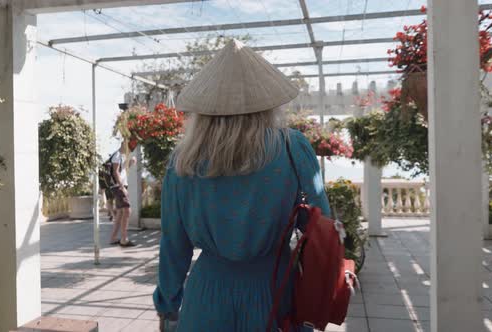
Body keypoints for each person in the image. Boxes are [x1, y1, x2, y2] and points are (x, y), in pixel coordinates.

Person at [153, 40, 331, 332]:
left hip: (206, 296)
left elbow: (174, 243)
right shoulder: (292, 147)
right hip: (274, 291)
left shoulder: (182, 161)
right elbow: (319, 223)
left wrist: (168, 304)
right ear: (266, 102)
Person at [109, 140, 137, 247]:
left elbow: (122, 171)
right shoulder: (117, 155)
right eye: (128, 148)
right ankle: (124, 239)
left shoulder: (122, 156)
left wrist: (130, 163)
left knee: (121, 212)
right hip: (118, 186)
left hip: (120, 185)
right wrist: (122, 187)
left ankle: (113, 238)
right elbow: (115, 172)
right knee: (127, 210)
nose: (129, 150)